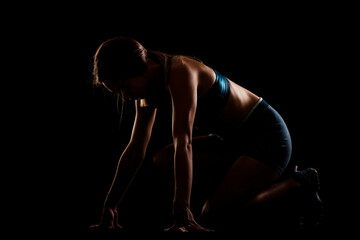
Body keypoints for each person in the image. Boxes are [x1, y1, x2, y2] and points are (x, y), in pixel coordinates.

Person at [89, 36, 322, 232]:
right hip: (232, 142)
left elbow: (184, 142)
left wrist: (182, 208)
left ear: (139, 68)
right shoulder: (148, 92)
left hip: (267, 137)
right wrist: (110, 206)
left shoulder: (181, 71)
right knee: (160, 160)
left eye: (124, 88)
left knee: (212, 214)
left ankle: (299, 183)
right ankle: (250, 182)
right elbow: (135, 149)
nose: (125, 97)